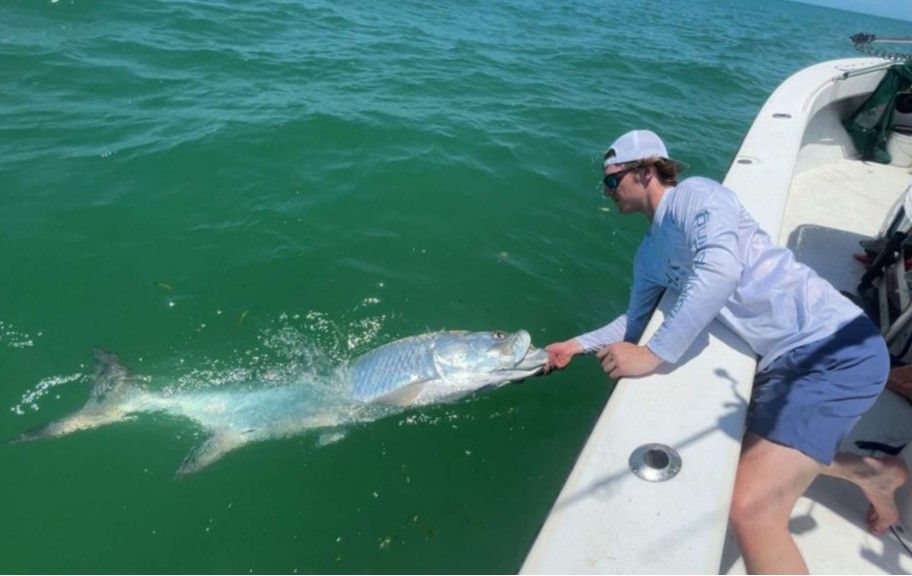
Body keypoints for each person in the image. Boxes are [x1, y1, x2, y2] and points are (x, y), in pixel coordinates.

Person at [544, 129, 904, 573]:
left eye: (612, 180)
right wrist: (575, 345)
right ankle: (871, 473)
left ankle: (870, 473)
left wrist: (655, 354)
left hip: (833, 348)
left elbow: (719, 272)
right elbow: (633, 322)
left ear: (645, 171)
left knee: (750, 508)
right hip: (781, 364)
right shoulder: (649, 254)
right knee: (739, 456)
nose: (607, 190)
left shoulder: (698, 196)